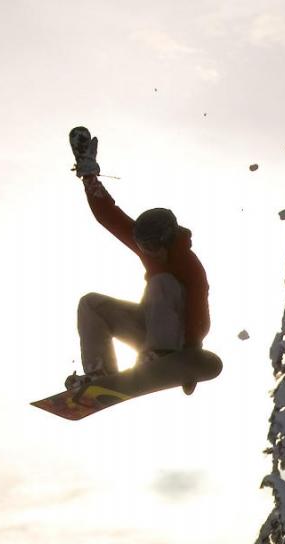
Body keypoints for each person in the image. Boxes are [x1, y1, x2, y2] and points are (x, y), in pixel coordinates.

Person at [65, 132, 210, 394]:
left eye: (152, 248)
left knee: (161, 282)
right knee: (90, 304)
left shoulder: (189, 266)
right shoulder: (149, 250)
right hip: (149, 330)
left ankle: (162, 352)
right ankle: (101, 370)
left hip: (178, 339)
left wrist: (190, 357)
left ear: (166, 242)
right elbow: (109, 216)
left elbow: (199, 312)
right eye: (144, 248)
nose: (148, 254)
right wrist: (89, 178)